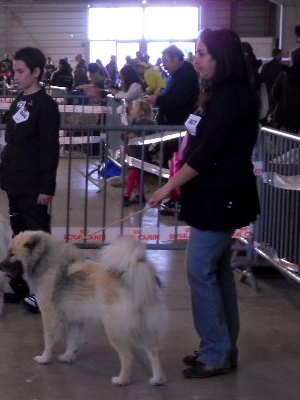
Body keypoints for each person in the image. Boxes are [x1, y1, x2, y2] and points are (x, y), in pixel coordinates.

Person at [148, 28, 260, 378]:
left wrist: (168, 187)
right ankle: (223, 347)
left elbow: (206, 155)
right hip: (212, 197)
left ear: (220, 57)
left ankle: (215, 352)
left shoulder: (232, 98)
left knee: (199, 270)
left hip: (221, 197)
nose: (196, 58)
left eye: (202, 52)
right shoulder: (217, 93)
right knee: (218, 272)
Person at [0, 46, 60, 313]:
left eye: (21, 71)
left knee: (37, 240)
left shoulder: (46, 106)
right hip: (15, 179)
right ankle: (23, 285)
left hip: (34, 183)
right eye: (15, 70)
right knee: (19, 236)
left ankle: (45, 292)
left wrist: (47, 186)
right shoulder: (20, 99)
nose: (15, 75)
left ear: (36, 72)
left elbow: (49, 148)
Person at [147, 44, 199, 216]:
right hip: (173, 125)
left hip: (178, 126)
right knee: (173, 163)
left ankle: (179, 197)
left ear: (176, 59)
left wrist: (159, 100)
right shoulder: (177, 74)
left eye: (165, 60)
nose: (163, 64)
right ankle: (175, 195)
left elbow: (178, 100)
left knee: (179, 164)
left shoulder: (185, 75)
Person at [123, 99, 155, 206]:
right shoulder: (133, 124)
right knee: (138, 176)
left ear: (140, 112)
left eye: (133, 109)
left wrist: (136, 136)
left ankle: (126, 195)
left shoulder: (145, 124)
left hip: (140, 154)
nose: (131, 111)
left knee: (132, 175)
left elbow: (145, 138)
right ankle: (141, 196)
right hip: (134, 153)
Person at [272, 46, 300, 134]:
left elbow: (275, 92)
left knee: (287, 143)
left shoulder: (284, 74)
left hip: (285, 114)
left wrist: (282, 102)